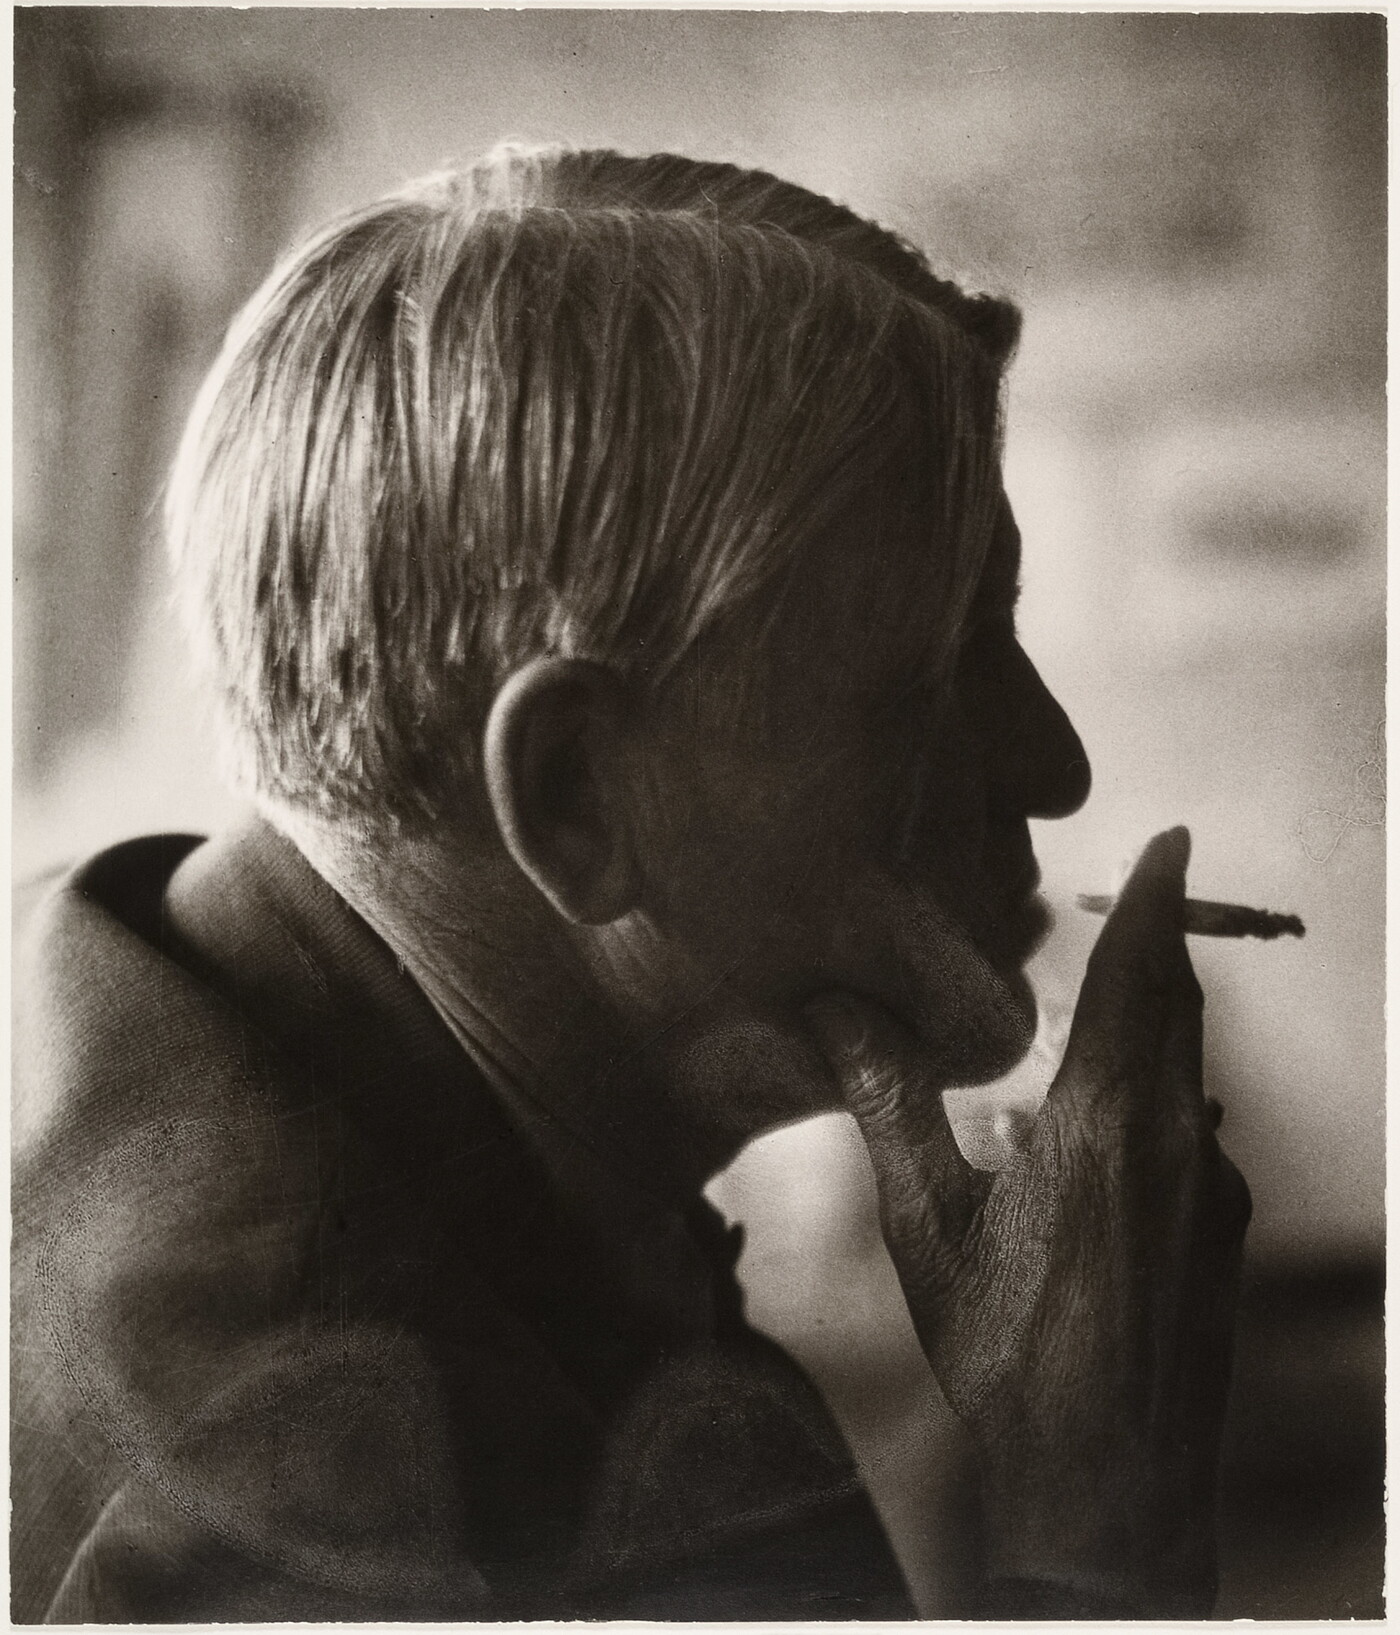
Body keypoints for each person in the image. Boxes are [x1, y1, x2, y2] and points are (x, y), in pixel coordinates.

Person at [11, 143, 1250, 1622]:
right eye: (930, 675)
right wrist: (1100, 1521)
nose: (1054, 765)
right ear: (579, 797)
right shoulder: (338, 1511)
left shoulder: (109, 986)